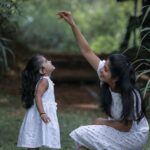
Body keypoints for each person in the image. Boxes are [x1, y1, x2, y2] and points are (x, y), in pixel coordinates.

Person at [57, 11, 149, 150]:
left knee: (84, 133)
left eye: (106, 69)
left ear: (116, 77)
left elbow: (126, 126)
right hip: (119, 127)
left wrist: (104, 122)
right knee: (84, 143)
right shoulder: (106, 75)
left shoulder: (131, 95)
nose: (101, 70)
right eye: (103, 65)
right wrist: (72, 24)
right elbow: (87, 51)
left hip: (134, 135)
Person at [17, 54, 61, 150]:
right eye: (46, 61)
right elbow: (37, 95)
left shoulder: (46, 80)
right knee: (33, 143)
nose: (49, 61)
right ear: (42, 70)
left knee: (36, 141)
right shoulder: (44, 81)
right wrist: (42, 113)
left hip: (41, 114)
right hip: (38, 115)